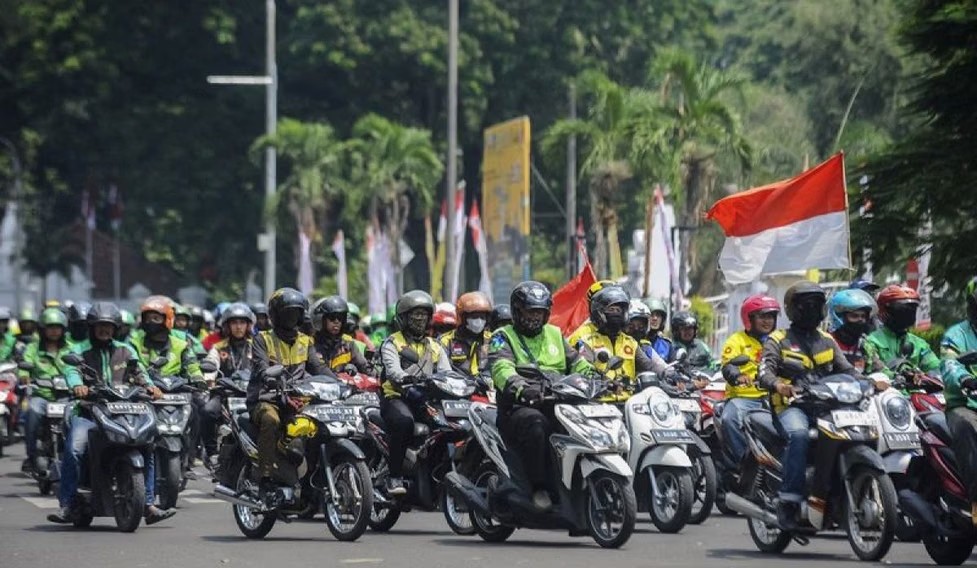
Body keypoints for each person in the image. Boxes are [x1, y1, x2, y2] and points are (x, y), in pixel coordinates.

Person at [47, 302, 175, 525]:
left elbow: (140, 372)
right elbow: (71, 371)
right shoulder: (78, 351)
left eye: (108, 326)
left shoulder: (126, 350)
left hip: (125, 410)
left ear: (115, 328)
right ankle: (67, 503)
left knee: (148, 443)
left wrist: (150, 387)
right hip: (88, 412)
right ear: (91, 327)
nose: (104, 330)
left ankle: (148, 504)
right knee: (75, 449)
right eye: (100, 325)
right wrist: (77, 385)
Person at [757, 281, 862, 530]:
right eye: (807, 305)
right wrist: (779, 385)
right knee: (799, 435)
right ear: (794, 309)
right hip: (791, 407)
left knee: (855, 432)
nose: (813, 310)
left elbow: (847, 371)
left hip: (827, 407)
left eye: (817, 304)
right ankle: (789, 501)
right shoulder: (778, 340)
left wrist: (870, 382)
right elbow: (764, 372)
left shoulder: (827, 340)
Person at [489, 281, 596, 510]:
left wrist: (597, 377)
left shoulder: (555, 334)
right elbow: (500, 368)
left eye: (539, 312)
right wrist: (520, 387)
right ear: (517, 312)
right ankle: (539, 488)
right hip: (519, 406)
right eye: (530, 311)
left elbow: (578, 363)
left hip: (557, 401)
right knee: (537, 425)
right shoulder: (502, 336)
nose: (535, 317)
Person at [247, 288, 330, 497]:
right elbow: (261, 368)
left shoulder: (306, 341)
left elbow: (318, 368)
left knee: (323, 425)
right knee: (271, 421)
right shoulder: (262, 339)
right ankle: (264, 477)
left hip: (298, 400)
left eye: (296, 313)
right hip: (267, 399)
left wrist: (341, 382)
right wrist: (270, 379)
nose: (291, 318)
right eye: (287, 313)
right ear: (276, 316)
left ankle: (313, 478)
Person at [378, 290, 451, 496]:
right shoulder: (392, 343)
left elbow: (446, 373)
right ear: (404, 317)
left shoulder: (435, 345)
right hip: (396, 396)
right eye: (415, 315)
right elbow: (393, 371)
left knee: (449, 425)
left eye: (424, 315)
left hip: (425, 398)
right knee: (404, 422)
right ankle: (394, 476)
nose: (420, 319)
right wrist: (406, 378)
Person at [570, 287, 671, 399]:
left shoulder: (630, 342)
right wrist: (605, 382)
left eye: (618, 310)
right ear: (599, 313)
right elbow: (584, 371)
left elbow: (649, 366)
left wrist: (668, 374)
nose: (616, 314)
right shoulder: (587, 342)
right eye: (611, 310)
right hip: (598, 403)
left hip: (629, 402)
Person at [719, 294, 780, 466]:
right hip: (744, 398)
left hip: (774, 396)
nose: (767, 321)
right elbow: (728, 366)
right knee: (729, 419)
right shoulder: (736, 340)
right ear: (749, 318)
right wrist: (738, 376)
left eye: (771, 316)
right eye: (762, 317)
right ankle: (745, 462)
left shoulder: (778, 340)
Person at [940, 277, 977, 526]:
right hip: (965, 404)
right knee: (967, 426)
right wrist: (965, 379)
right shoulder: (957, 334)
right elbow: (949, 363)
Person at [18, 307, 72, 473]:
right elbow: (24, 366)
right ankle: (31, 455)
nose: (54, 331)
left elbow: (78, 366)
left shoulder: (69, 348)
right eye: (50, 327)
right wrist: (25, 376)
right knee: (32, 413)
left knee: (75, 418)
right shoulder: (33, 348)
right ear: (42, 329)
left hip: (65, 397)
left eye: (58, 327)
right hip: (41, 396)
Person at [201, 302, 255, 465]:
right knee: (208, 411)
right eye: (234, 323)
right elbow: (211, 365)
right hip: (225, 393)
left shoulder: (256, 346)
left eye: (242, 322)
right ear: (227, 326)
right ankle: (212, 452)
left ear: (248, 325)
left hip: (251, 393)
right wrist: (210, 380)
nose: (238, 327)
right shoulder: (218, 348)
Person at [863, 285, 940, 378]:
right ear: (885, 310)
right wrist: (901, 376)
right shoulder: (871, 341)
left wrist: (935, 376)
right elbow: (875, 368)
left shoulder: (920, 344)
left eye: (912, 309)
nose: (908, 313)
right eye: (902, 309)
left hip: (917, 386)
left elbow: (935, 367)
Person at [310, 296, 371, 374]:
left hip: (342, 382)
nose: (337, 321)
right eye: (332, 317)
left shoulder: (348, 343)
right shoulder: (311, 344)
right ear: (321, 319)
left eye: (340, 318)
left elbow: (364, 367)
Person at [439, 291, 492, 378]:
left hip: (488, 384)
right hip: (457, 384)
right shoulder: (446, 341)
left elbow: (501, 360)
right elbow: (442, 370)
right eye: (474, 317)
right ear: (462, 317)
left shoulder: (493, 339)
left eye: (482, 317)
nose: (479, 321)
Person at [827, 288, 877, 372]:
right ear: (840, 317)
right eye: (854, 316)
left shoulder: (865, 345)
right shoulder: (827, 342)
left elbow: (879, 368)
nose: (860, 320)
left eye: (863, 316)